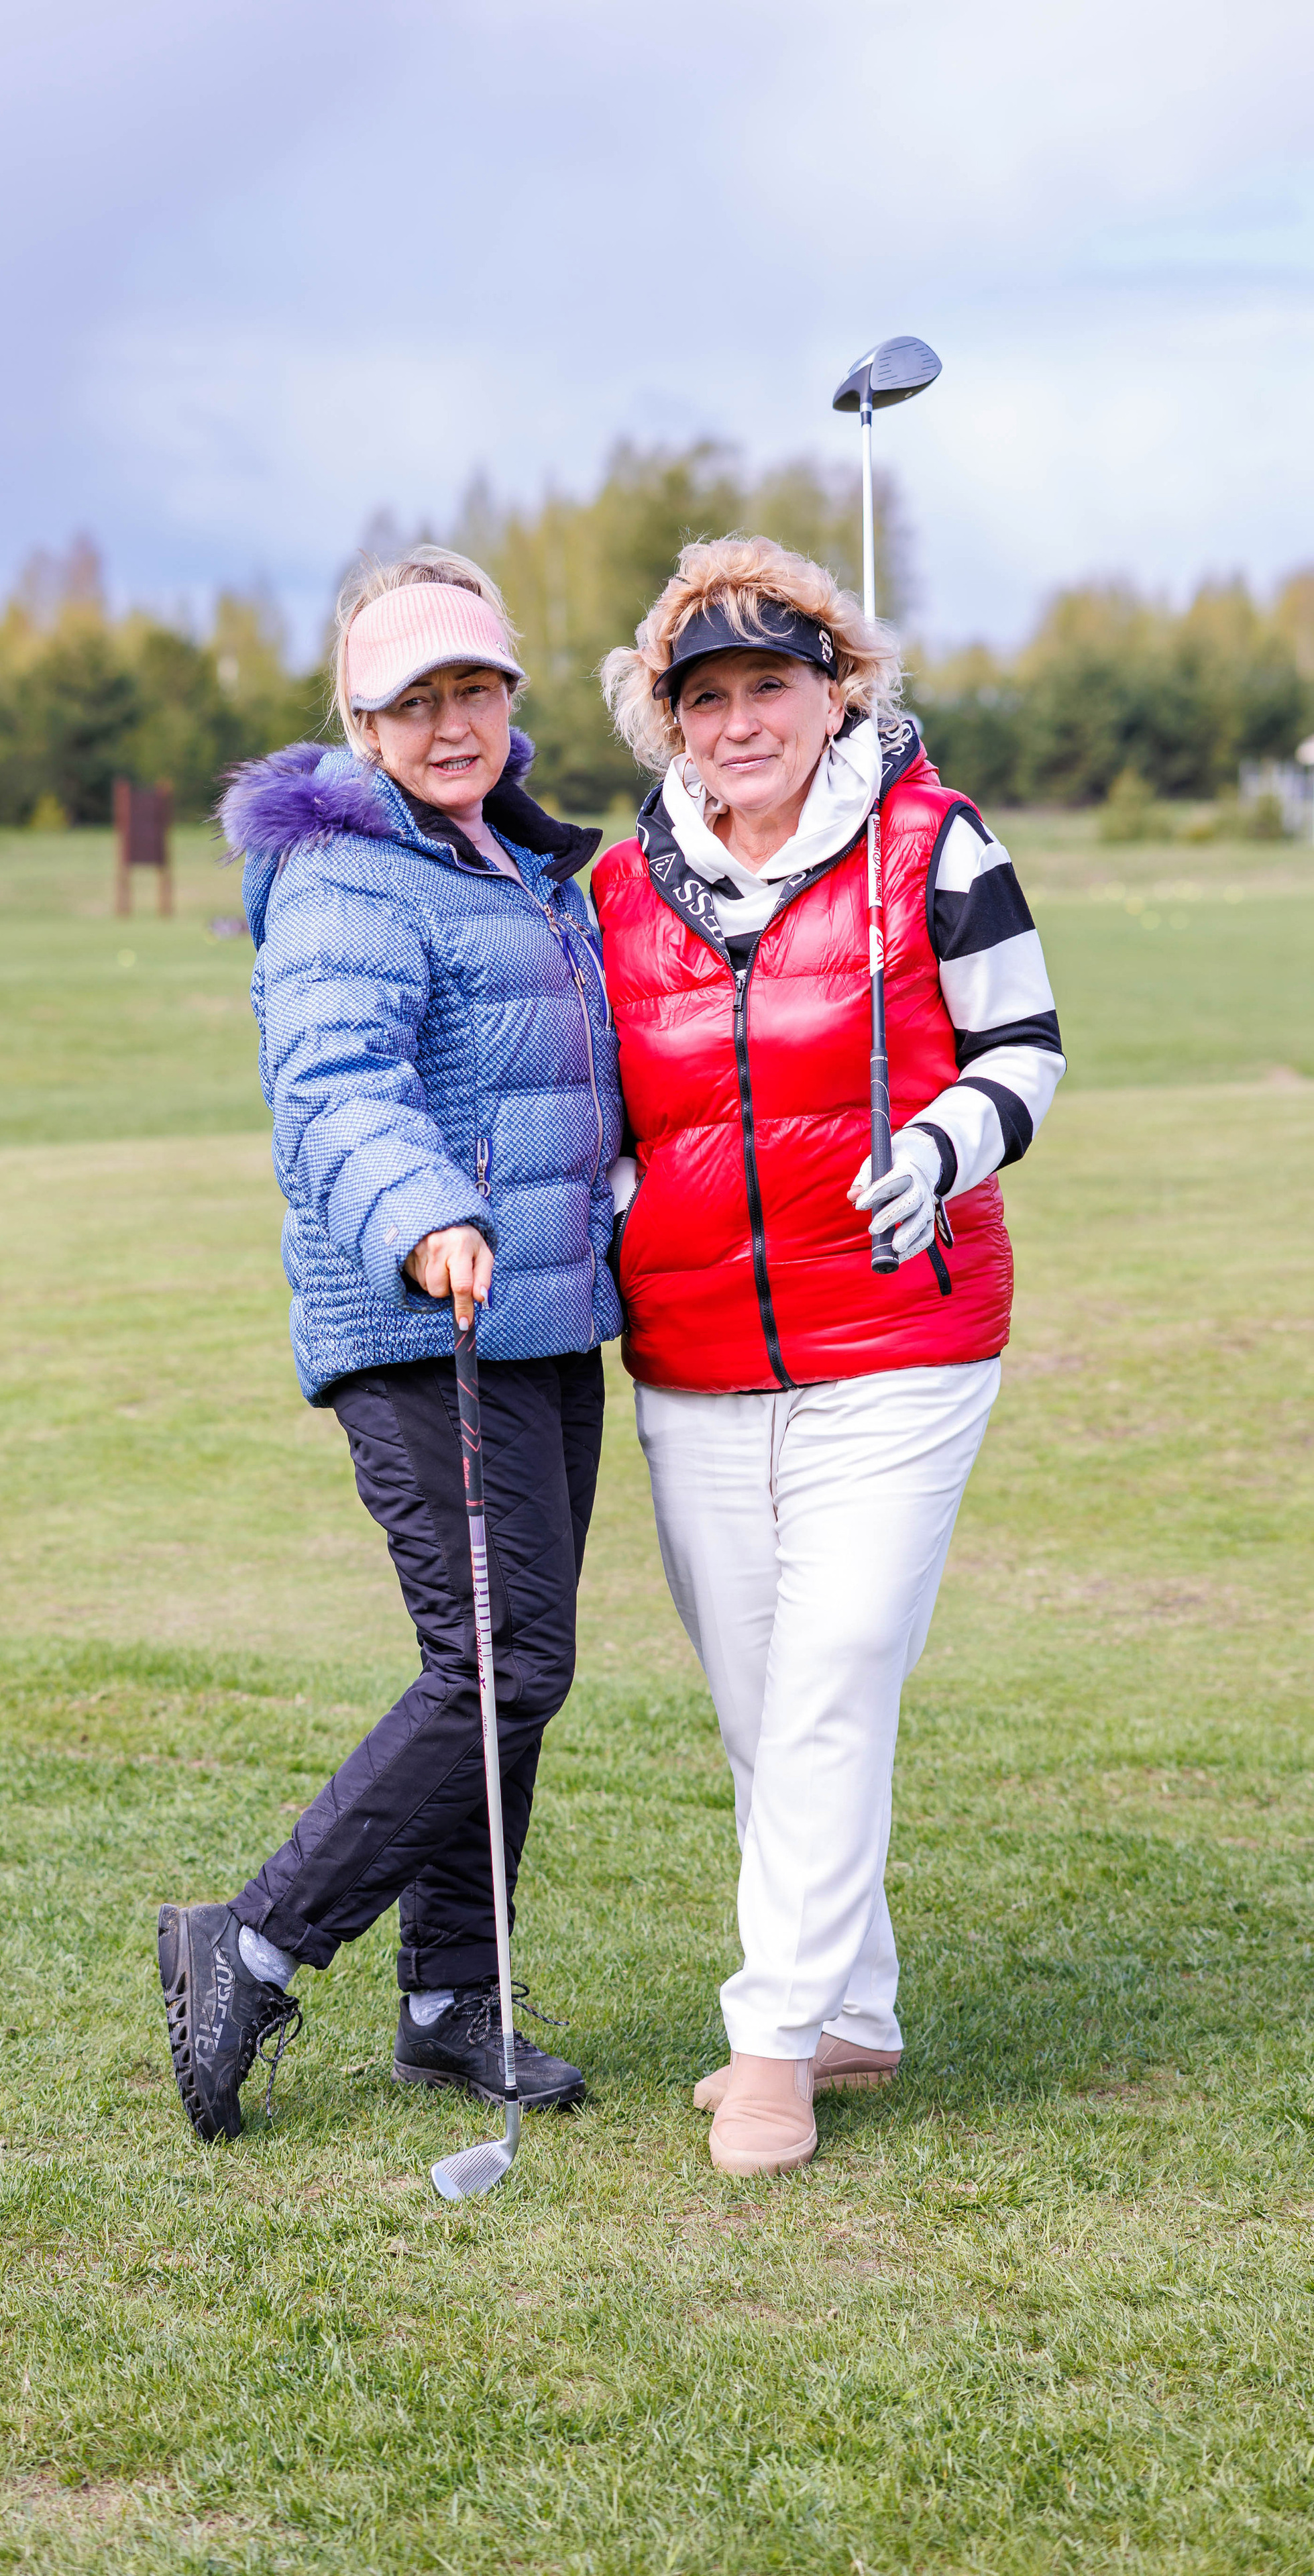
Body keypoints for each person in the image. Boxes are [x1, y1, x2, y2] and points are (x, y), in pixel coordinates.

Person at [592, 535, 1064, 2178]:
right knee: (756, 1705)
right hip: (697, 1354)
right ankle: (853, 2005)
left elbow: (1025, 1045)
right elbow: (605, 1109)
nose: (738, 723)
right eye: (702, 696)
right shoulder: (619, 888)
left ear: (833, 689)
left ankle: (772, 2046)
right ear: (666, 721)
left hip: (902, 1330)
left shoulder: (931, 843)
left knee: (832, 1670)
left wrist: (939, 1144)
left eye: (769, 687)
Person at [158, 547, 624, 2141]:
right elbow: (333, 1086)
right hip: (425, 1313)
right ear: (358, 723)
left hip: (547, 1316)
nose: (448, 721)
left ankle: (447, 2002)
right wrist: (423, 1210)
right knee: (499, 1661)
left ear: (508, 696)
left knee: (510, 1673)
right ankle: (252, 1943)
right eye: (410, 699)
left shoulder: (512, 862)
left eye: (472, 688)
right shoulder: (350, 878)